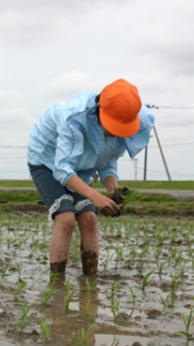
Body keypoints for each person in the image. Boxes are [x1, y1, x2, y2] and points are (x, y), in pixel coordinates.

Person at [27, 78, 154, 277]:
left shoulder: (133, 117)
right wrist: (95, 196)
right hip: (48, 160)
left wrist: (113, 187)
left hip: (80, 166)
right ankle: (57, 285)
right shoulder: (74, 117)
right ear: (98, 110)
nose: (114, 133)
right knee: (66, 218)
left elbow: (108, 160)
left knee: (89, 218)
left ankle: (90, 282)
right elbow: (62, 169)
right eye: (112, 127)